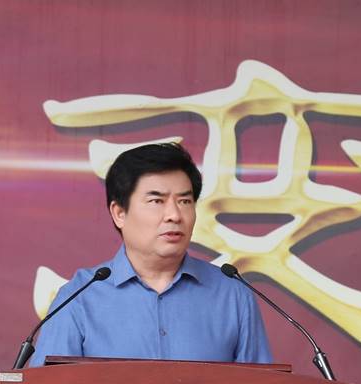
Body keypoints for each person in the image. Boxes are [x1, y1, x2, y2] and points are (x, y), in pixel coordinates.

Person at [28, 143, 271, 366]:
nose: (174, 215)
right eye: (156, 201)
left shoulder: (232, 294)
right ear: (119, 213)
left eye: (185, 201)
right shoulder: (79, 297)